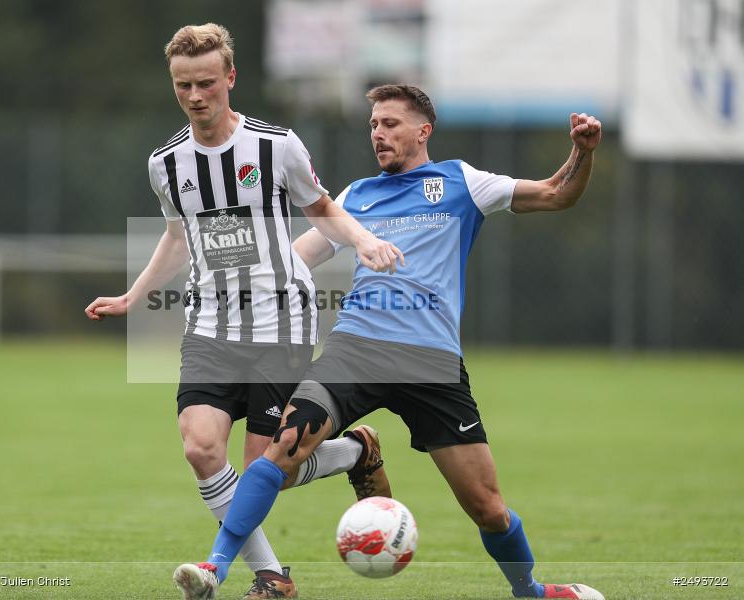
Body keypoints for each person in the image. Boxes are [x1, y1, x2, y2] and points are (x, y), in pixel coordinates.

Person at [173, 85, 606, 600]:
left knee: (487, 508)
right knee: (282, 449)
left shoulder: (462, 182)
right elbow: (294, 260)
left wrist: (582, 152)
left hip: (431, 362)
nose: (378, 133)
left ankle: (530, 591)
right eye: (374, 125)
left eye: (391, 124)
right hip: (355, 349)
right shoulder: (355, 197)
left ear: (424, 131)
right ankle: (216, 567)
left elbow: (557, 193)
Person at [84, 24, 403, 600]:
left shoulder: (276, 146)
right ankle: (272, 577)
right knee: (200, 447)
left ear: (230, 77)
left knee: (267, 470)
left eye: (206, 83)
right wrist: (133, 295)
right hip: (209, 323)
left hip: (281, 322)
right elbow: (178, 237)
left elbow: (321, 208)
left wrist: (362, 241)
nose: (195, 96)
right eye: (183, 85)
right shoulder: (166, 163)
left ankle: (355, 451)